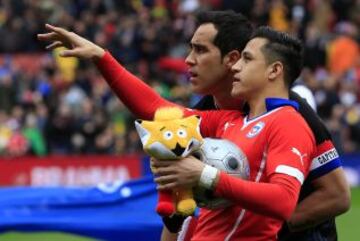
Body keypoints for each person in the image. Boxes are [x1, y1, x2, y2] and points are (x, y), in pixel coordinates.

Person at [38, 11, 350, 241]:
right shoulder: (222, 118)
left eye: (200, 50)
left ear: (231, 59)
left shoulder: (293, 116)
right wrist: (101, 57)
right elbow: (158, 109)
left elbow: (335, 196)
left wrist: (259, 221)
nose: (187, 60)